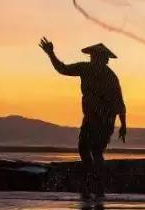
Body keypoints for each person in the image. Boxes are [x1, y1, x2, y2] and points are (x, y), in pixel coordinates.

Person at [39, 37, 126, 198]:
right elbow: (62, 69)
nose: (95, 59)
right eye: (94, 56)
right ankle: (92, 181)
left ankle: (97, 184)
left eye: (98, 57)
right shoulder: (86, 69)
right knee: (85, 149)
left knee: (95, 150)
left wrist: (123, 124)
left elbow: (119, 101)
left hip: (104, 119)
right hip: (92, 118)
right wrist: (51, 54)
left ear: (104, 59)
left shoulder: (109, 76)